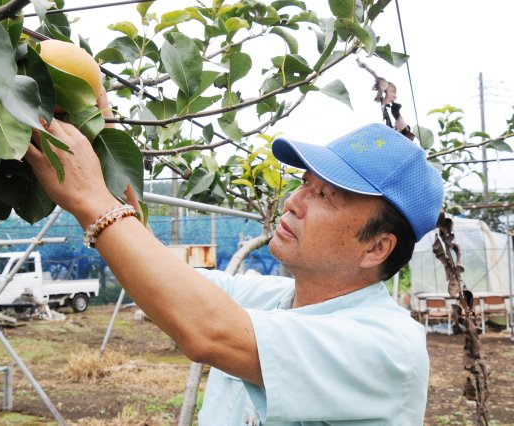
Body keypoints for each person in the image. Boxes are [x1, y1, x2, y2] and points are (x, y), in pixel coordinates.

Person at [25, 116, 443, 424]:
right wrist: (100, 134)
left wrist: (94, 201)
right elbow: (169, 284)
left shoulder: (387, 346)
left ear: (376, 247)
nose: (294, 202)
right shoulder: (274, 298)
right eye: (303, 183)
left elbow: (208, 329)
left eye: (326, 195)